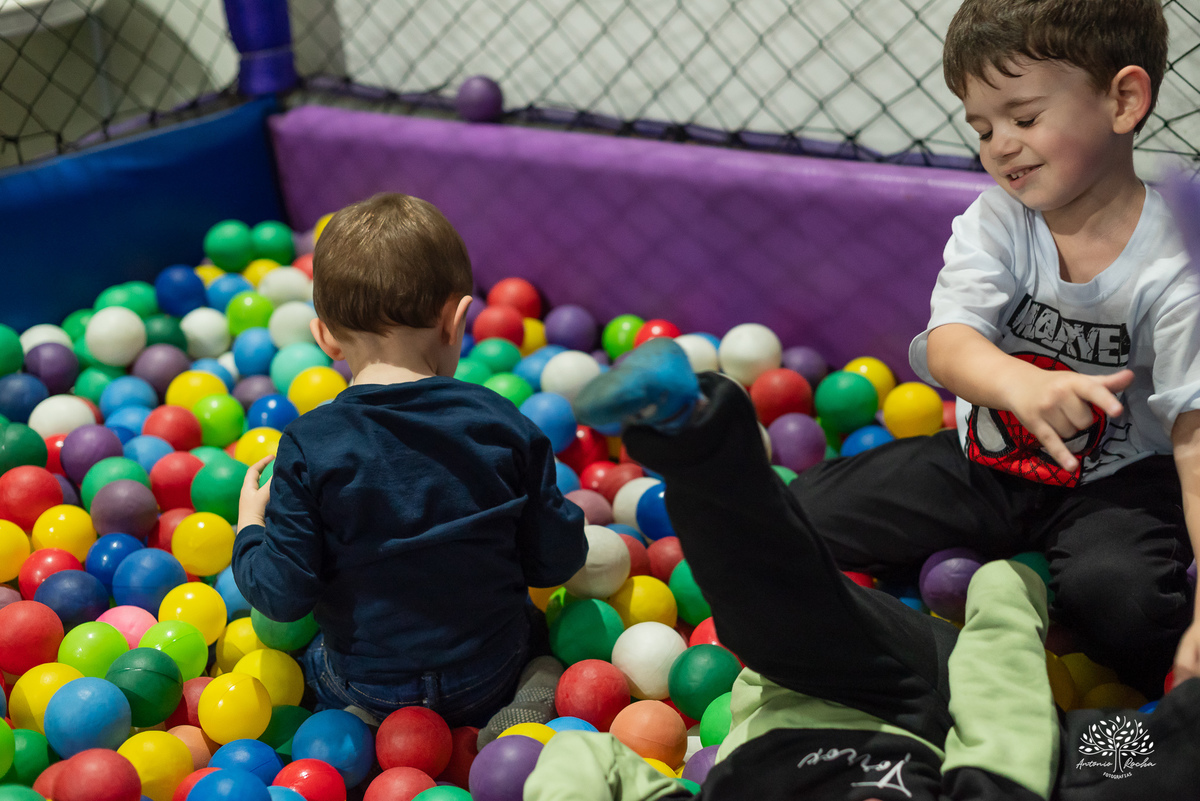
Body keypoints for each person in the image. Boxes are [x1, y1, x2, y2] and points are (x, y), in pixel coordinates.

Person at [524, 340, 1200, 801]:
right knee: (1134, 756)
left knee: (771, 613)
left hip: (816, 675)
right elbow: (1000, 711)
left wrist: (1006, 594)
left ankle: (686, 427)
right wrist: (1005, 600)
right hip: (934, 710)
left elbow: (580, 759)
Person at [785, 0, 1200, 699]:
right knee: (803, 514)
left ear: (1123, 99)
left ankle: (1074, 626)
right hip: (993, 460)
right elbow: (950, 343)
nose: (999, 144)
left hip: (1116, 486)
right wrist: (1020, 386)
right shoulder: (998, 222)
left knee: (1125, 603)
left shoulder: (1173, 269)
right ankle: (1016, 593)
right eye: (981, 127)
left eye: (1025, 118)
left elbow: (1193, 438)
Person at [232, 193, 588, 727]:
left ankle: (362, 729)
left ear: (324, 336)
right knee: (540, 641)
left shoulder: (309, 444)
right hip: (490, 671)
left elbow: (283, 596)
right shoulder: (502, 423)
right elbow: (557, 560)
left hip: (371, 684)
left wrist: (251, 527)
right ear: (457, 320)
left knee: (305, 662)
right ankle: (523, 709)